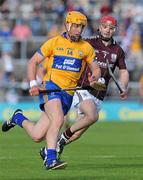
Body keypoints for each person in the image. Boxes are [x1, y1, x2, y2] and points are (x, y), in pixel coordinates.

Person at [1, 11, 101, 170]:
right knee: (58, 119)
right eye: (75, 26)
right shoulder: (54, 42)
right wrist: (33, 84)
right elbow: (32, 62)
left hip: (68, 94)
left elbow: (96, 68)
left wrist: (94, 77)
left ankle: (17, 117)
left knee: (36, 135)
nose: (78, 30)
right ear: (68, 25)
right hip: (51, 88)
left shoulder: (86, 48)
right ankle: (51, 159)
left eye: (81, 27)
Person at [51, 15, 129, 160]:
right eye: (105, 27)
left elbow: (123, 71)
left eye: (111, 28)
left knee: (78, 133)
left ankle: (53, 147)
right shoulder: (88, 43)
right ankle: (59, 140)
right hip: (83, 88)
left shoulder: (118, 50)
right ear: (99, 27)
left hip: (99, 95)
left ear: (115, 30)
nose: (107, 30)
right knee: (92, 116)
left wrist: (123, 87)